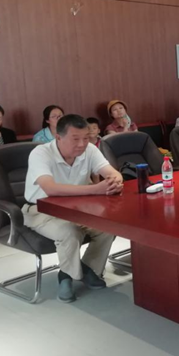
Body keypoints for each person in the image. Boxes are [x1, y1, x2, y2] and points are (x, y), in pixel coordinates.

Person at [23, 114, 123, 303]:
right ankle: (66, 276)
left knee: (108, 228)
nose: (82, 144)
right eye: (75, 139)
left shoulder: (90, 150)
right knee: (69, 231)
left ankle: (88, 269)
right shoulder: (41, 153)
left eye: (85, 138)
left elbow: (111, 172)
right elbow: (50, 188)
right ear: (58, 137)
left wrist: (115, 180)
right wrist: (95, 189)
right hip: (40, 211)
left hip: (79, 209)